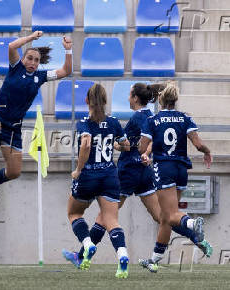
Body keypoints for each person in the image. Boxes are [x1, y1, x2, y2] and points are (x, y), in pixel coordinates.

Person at [87, 83, 212, 261]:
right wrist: (147, 155)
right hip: (146, 172)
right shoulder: (151, 116)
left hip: (128, 172)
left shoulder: (138, 118)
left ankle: (83, 254)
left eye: (130, 95)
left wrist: (115, 144)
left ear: (135, 98)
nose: (128, 99)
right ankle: (198, 239)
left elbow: (127, 145)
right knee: (164, 217)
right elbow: (154, 141)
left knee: (106, 214)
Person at [0, 31, 73, 193]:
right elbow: (11, 46)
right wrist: (32, 37)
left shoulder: (41, 76)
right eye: (29, 58)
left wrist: (68, 50)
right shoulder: (16, 67)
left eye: (36, 60)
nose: (32, 62)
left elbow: (65, 71)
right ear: (23, 59)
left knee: (14, 171)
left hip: (13, 128)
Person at [138, 82, 213, 272]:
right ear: (175, 99)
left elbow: (141, 147)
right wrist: (206, 151)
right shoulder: (185, 118)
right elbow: (197, 144)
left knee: (171, 215)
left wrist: (146, 152)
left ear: (161, 100)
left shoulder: (153, 120)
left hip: (164, 168)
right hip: (181, 169)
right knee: (166, 217)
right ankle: (154, 260)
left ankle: (192, 223)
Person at [62, 84, 130, 278]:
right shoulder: (114, 122)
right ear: (106, 101)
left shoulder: (84, 123)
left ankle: (88, 244)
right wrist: (116, 145)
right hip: (109, 175)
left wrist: (78, 169)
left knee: (74, 212)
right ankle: (122, 255)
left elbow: (85, 144)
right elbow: (125, 146)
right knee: (111, 220)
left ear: (86, 101)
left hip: (89, 175)